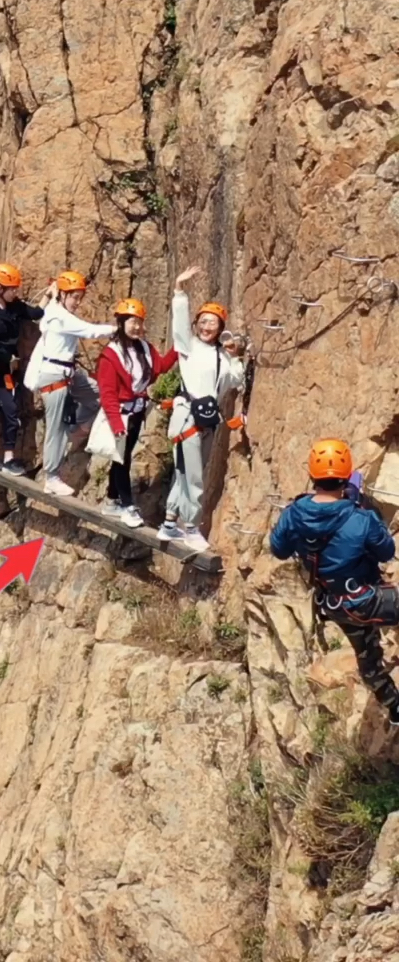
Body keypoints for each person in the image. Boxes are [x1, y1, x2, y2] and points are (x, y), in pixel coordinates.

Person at [270, 439, 399, 728]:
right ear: (346, 476)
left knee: (367, 657)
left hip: (334, 603)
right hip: (367, 598)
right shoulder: (359, 517)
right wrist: (365, 510)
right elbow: (387, 552)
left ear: (312, 475)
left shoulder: (293, 514)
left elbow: (278, 549)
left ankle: (396, 707)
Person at [160, 265, 245, 551]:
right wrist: (179, 290)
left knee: (185, 473)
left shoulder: (220, 356)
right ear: (197, 324)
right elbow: (180, 326)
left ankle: (170, 522)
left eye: (214, 323)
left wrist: (235, 355)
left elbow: (234, 381)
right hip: (188, 418)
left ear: (221, 328)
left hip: (207, 421)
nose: (208, 327)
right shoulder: (189, 346)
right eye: (204, 322)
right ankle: (192, 527)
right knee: (195, 476)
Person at [88, 298, 178, 529]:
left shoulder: (144, 348)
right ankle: (127, 505)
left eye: (139, 322)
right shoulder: (111, 354)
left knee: (123, 456)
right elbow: (108, 393)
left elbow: (161, 367)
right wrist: (117, 424)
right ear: (120, 322)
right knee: (121, 460)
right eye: (131, 322)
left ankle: (111, 500)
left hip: (136, 413)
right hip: (120, 414)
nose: (136, 327)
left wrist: (179, 347)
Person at [24, 271, 115, 497]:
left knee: (100, 396)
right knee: (56, 429)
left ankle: (78, 431)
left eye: (79, 297)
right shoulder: (59, 317)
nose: (77, 302)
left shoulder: (55, 310)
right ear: (63, 295)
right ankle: (52, 477)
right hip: (55, 376)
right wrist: (116, 329)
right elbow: (89, 330)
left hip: (68, 372)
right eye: (73, 297)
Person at [0, 263, 50, 476]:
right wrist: (9, 356)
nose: (16, 292)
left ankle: (8, 457)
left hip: (4, 367)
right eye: (12, 289)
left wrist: (50, 296)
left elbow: (34, 313)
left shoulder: (14, 307)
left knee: (11, 410)